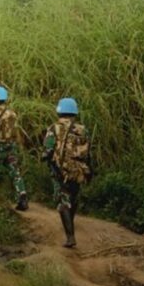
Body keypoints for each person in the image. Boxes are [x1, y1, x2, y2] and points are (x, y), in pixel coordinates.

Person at [41, 98, 92, 248]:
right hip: (78, 170)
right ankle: (70, 222)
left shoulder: (54, 128)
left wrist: (45, 158)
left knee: (62, 202)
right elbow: (88, 153)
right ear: (74, 112)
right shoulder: (83, 129)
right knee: (73, 198)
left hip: (60, 171)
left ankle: (70, 237)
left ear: (59, 111)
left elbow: (48, 150)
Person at [0, 86, 29, 211]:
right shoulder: (12, 113)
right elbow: (16, 132)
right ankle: (22, 195)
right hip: (11, 146)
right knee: (15, 172)